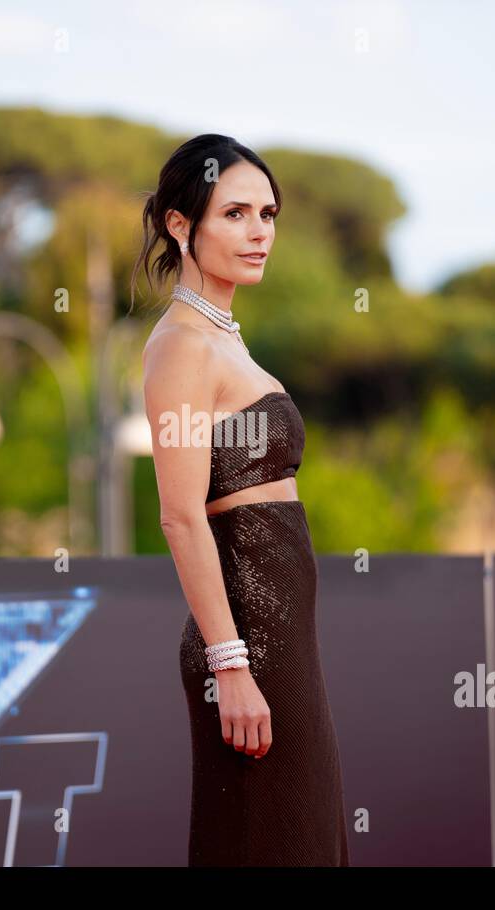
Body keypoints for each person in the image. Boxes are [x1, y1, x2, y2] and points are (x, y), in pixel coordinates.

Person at [133, 133, 350, 866]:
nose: (259, 232)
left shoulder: (224, 341)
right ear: (180, 224)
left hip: (282, 641)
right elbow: (179, 515)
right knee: (271, 842)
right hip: (246, 643)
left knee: (301, 838)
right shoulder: (181, 347)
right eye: (235, 213)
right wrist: (231, 666)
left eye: (268, 213)